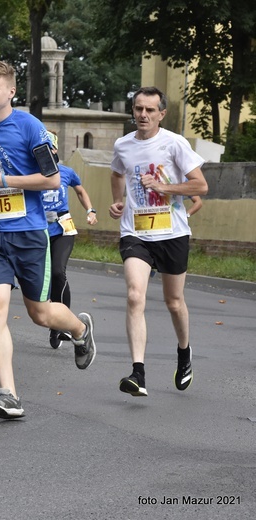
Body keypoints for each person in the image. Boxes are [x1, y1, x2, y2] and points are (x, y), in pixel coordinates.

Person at [0, 61, 97, 420]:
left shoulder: (31, 127)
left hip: (29, 234)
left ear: (10, 92)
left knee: (40, 313)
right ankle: (8, 394)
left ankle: (79, 329)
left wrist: (6, 182)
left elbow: (51, 179)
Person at [109, 86, 208, 397]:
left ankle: (184, 352)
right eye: (139, 108)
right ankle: (138, 373)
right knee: (135, 295)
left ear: (161, 114)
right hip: (135, 231)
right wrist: (117, 200)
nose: (143, 115)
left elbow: (200, 185)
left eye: (150, 110)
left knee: (173, 302)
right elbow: (116, 173)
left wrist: (166, 188)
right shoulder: (122, 145)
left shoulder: (175, 144)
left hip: (172, 232)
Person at [41, 131, 98, 349]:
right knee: (44, 281)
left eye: (49, 148)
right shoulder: (30, 174)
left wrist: (90, 210)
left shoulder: (66, 172)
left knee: (58, 272)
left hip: (63, 229)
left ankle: (64, 325)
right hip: (38, 232)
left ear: (54, 150)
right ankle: (55, 324)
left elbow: (81, 191)